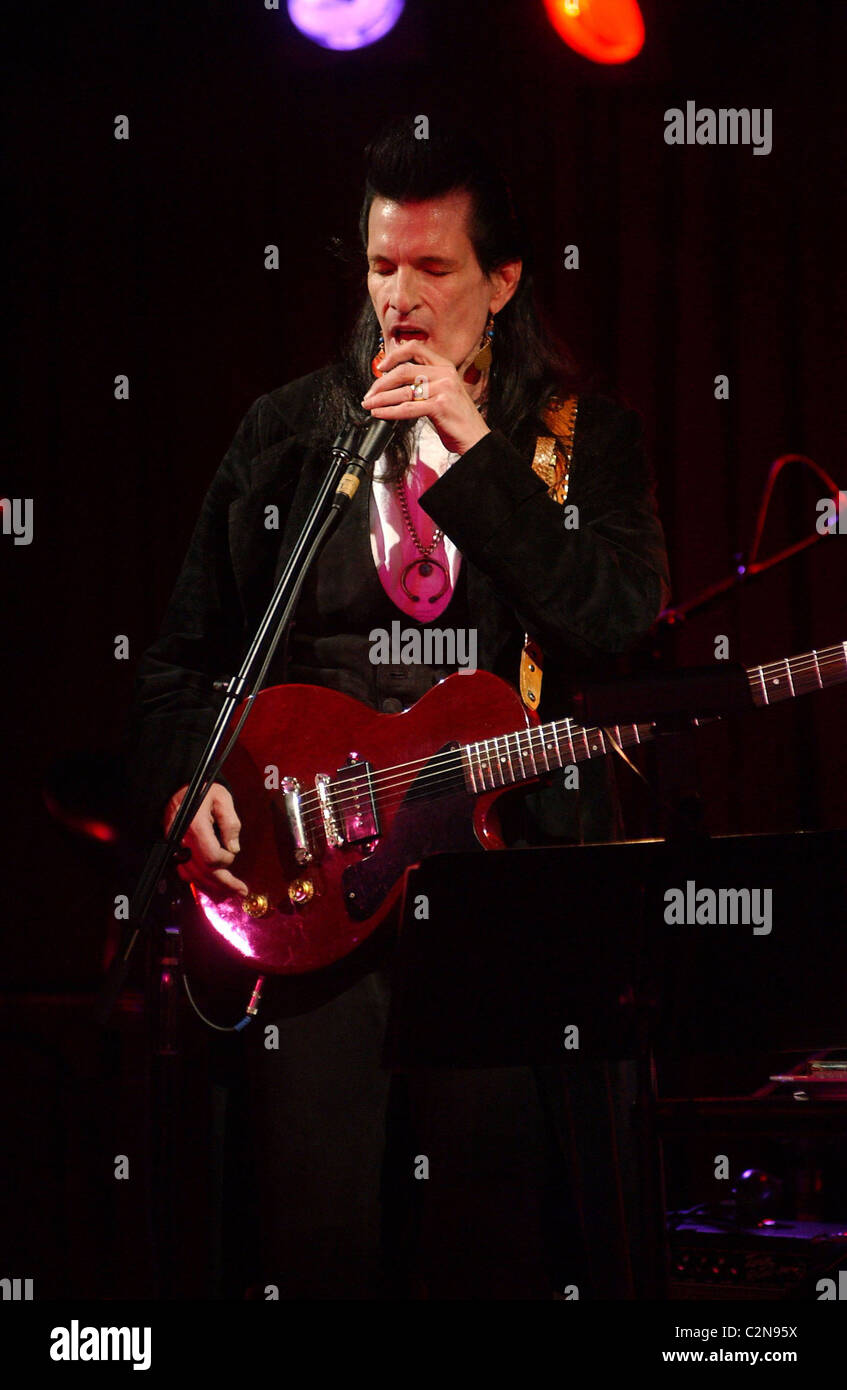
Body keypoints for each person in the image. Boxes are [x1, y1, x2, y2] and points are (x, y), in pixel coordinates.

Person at [127, 119, 670, 1299]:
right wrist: (189, 781)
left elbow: (613, 626)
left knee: (493, 1250)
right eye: (382, 267)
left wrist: (473, 448)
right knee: (314, 1246)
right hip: (315, 904)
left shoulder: (585, 441)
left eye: (434, 269)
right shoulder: (287, 435)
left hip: (499, 905)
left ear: (503, 281)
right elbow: (179, 660)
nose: (401, 299)